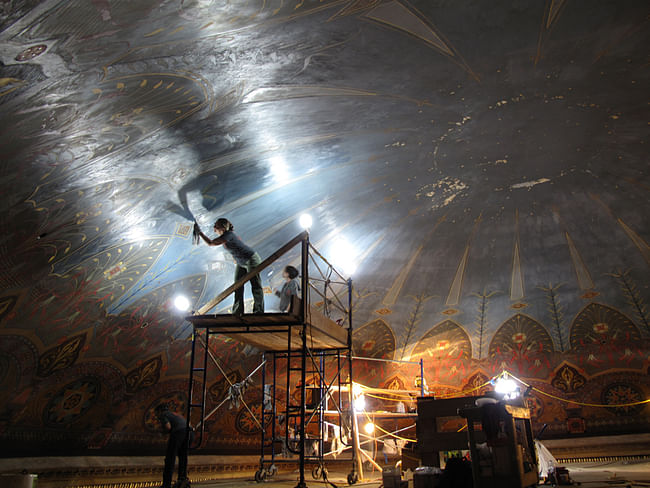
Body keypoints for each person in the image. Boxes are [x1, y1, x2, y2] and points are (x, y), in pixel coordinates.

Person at [194, 218, 264, 315]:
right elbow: (234, 248)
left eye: (216, 227)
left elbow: (211, 243)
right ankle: (237, 311)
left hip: (251, 259)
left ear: (222, 227)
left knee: (255, 285)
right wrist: (235, 258)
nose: (214, 229)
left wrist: (200, 233)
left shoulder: (228, 235)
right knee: (237, 286)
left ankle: (258, 311)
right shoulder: (227, 236)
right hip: (241, 262)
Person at [155, 403, 192, 488]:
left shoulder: (163, 414)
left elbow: (168, 427)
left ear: (160, 411)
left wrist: (161, 432)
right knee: (183, 457)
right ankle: (182, 480)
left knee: (170, 458)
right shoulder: (176, 414)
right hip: (189, 433)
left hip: (178, 433)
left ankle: (166, 484)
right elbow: (188, 423)